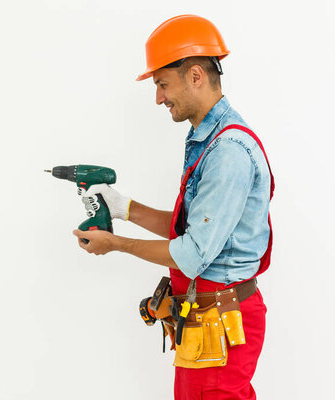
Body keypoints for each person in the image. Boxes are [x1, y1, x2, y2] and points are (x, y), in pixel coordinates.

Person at [72, 15, 274, 400]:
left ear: (195, 75)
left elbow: (192, 254)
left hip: (221, 325)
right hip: (205, 321)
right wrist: (123, 208)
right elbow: (193, 229)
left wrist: (115, 244)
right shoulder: (209, 140)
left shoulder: (227, 152)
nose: (159, 97)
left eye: (162, 84)